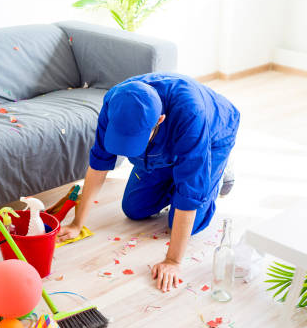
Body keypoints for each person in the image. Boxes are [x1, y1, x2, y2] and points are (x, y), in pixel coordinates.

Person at [57, 72, 240, 292]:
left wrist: (172, 261)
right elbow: (99, 164)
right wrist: (77, 224)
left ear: (160, 120)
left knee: (184, 223)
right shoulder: (116, 102)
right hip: (163, 148)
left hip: (213, 138)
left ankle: (218, 172)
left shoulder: (191, 114)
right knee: (134, 210)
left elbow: (190, 194)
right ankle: (176, 170)